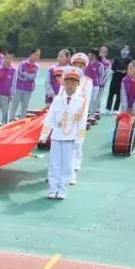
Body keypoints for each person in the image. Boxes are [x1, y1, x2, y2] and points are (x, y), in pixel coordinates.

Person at [39, 68, 86, 200]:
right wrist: (44, 135)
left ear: (77, 85)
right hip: (57, 135)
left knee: (67, 165)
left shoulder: (81, 102)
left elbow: (82, 122)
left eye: (73, 83)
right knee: (54, 163)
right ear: (64, 84)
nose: (70, 86)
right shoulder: (58, 100)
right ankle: (52, 189)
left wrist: (79, 140)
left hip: (71, 137)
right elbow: (50, 119)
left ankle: (62, 190)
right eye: (68, 83)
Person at [107, 45, 132, 113]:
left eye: (126, 50)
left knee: (119, 94)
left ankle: (116, 109)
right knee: (111, 93)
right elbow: (113, 67)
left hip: (123, 79)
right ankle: (108, 109)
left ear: (128, 52)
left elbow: (128, 68)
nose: (124, 51)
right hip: (115, 78)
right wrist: (118, 69)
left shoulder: (129, 59)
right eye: (123, 50)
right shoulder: (117, 58)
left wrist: (124, 70)